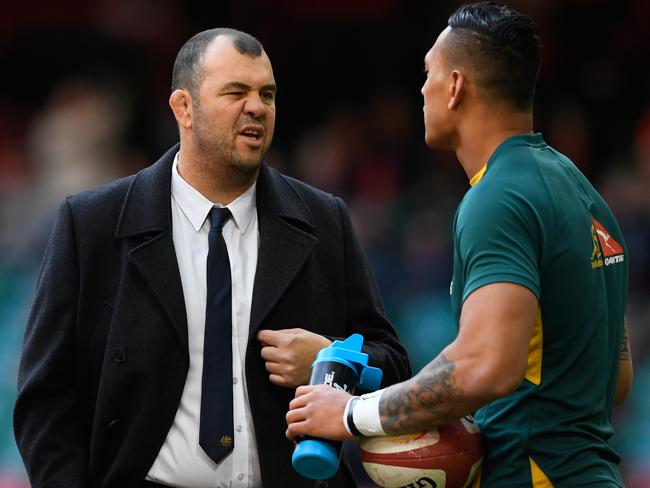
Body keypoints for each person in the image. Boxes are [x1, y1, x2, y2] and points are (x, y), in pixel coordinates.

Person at [13, 28, 411, 488]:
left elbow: (393, 363)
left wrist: (330, 359)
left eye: (267, 94)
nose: (257, 107)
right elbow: (46, 395)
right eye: (236, 92)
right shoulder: (92, 223)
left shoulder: (324, 220)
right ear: (184, 108)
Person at [285, 2, 633, 486]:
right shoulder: (583, 192)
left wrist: (352, 414)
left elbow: (485, 366)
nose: (421, 88)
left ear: (454, 86)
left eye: (427, 73)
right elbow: (615, 379)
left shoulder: (498, 198)